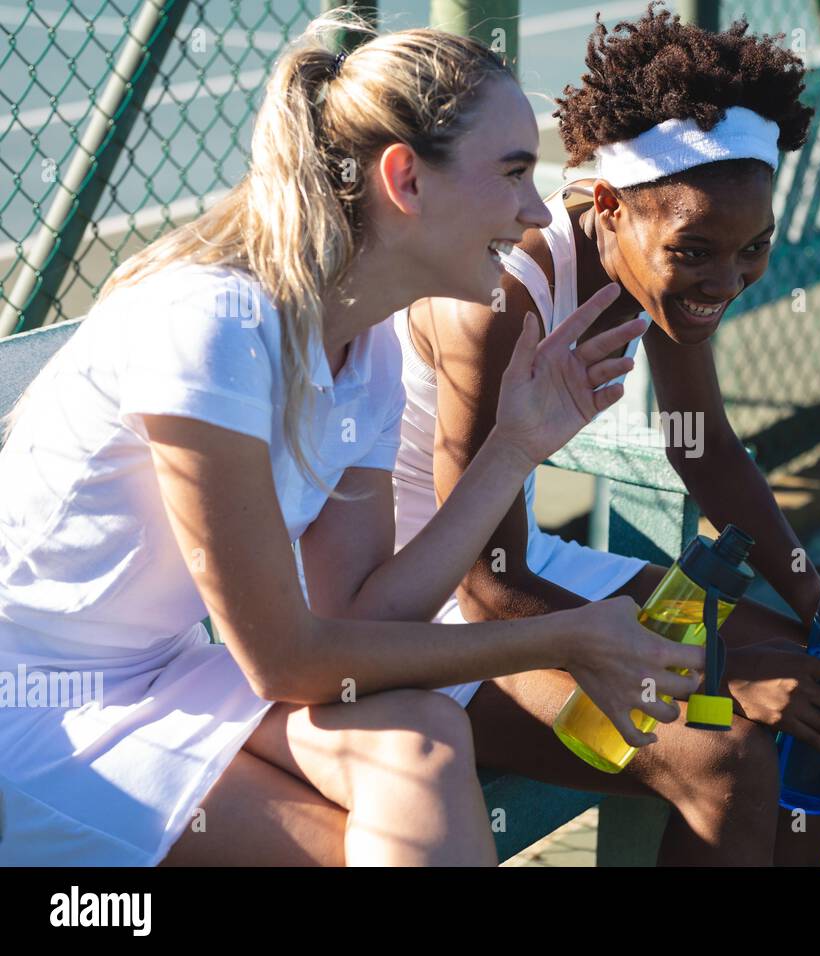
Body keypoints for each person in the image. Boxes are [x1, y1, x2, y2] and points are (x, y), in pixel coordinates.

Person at [0, 9, 701, 867]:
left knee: (424, 735)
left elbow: (361, 615)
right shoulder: (211, 326)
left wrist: (514, 448)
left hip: (166, 672)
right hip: (35, 712)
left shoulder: (362, 346)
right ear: (404, 178)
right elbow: (289, 661)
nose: (530, 214)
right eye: (515, 172)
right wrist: (563, 638)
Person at [398, 3, 820, 866]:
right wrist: (720, 679)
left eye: (755, 247)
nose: (729, 279)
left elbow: (703, 444)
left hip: (523, 566)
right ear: (609, 205)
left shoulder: (651, 266)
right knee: (724, 756)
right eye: (698, 251)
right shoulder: (501, 301)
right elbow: (487, 590)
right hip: (425, 616)